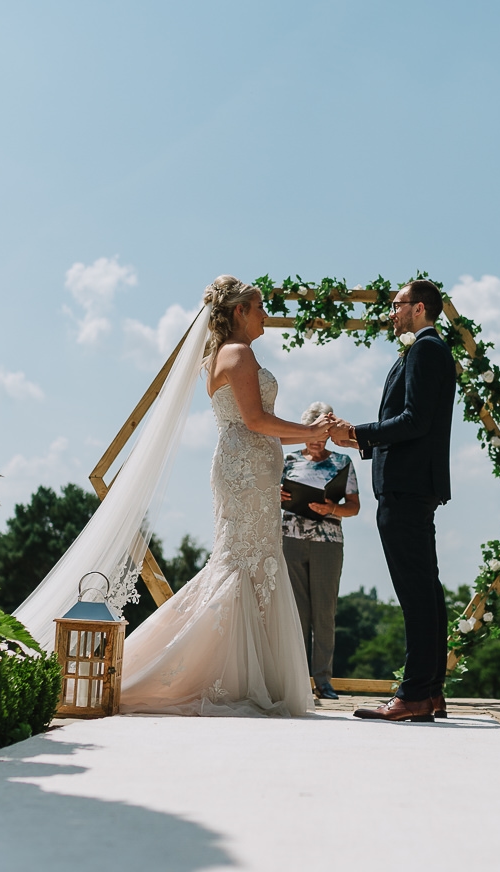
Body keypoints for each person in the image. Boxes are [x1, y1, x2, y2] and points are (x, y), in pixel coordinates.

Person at [114, 276, 333, 716]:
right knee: (244, 562)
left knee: (247, 561)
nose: (265, 314)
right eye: (259, 307)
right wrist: (310, 433)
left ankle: (241, 673)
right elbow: (255, 420)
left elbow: (250, 420)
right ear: (239, 312)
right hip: (247, 468)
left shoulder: (218, 356)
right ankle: (217, 674)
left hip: (246, 468)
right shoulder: (238, 353)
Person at [328, 279, 455, 722]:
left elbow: (414, 421)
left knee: (415, 592)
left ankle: (415, 693)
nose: (391, 312)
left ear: (419, 308)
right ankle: (431, 690)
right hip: (414, 484)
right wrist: (357, 439)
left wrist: (360, 433)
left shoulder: (425, 350)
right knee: (426, 589)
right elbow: (407, 423)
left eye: (398, 305)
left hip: (406, 486)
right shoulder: (429, 349)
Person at [279, 402, 360, 700]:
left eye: (320, 435)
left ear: (327, 434)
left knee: (324, 613)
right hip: (290, 538)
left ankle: (323, 680)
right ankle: (298, 679)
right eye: (309, 435)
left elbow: (354, 507)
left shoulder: (342, 463)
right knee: (296, 612)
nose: (314, 441)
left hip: (328, 542)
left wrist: (333, 508)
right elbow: (271, 495)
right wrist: (278, 494)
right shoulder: (286, 461)